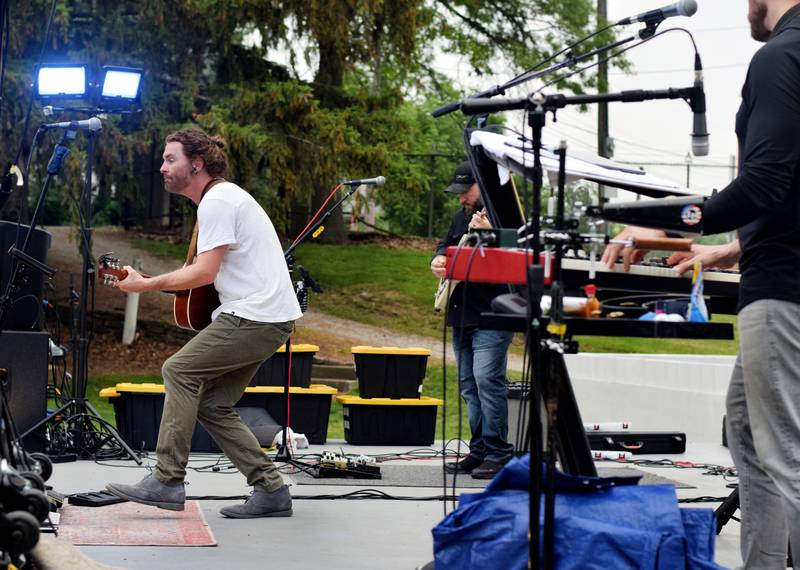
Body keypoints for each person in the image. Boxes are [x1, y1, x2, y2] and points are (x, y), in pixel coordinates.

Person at [603, 2, 800, 566]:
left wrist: (656, 219)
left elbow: (762, 182)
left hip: (784, 292)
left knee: (787, 454)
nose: (746, 7)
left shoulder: (779, 57)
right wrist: (735, 246)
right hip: (779, 270)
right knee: (748, 432)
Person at [107, 128, 302, 518]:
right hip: (266, 317)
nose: (162, 167)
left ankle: (166, 480)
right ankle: (271, 489)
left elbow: (204, 273)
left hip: (255, 315)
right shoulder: (220, 199)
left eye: (170, 159)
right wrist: (149, 283)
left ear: (196, 164)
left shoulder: (218, 201)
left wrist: (147, 284)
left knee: (178, 371)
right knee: (213, 403)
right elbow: (202, 276)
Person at [431, 161, 514, 480]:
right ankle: (479, 450)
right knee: (469, 385)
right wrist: (438, 258)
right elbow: (446, 244)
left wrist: (489, 236)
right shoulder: (462, 216)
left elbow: (516, 252)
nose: (461, 199)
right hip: (462, 312)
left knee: (487, 382)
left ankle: (498, 452)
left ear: (483, 185)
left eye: (466, 192)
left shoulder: (505, 215)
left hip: (493, 312)